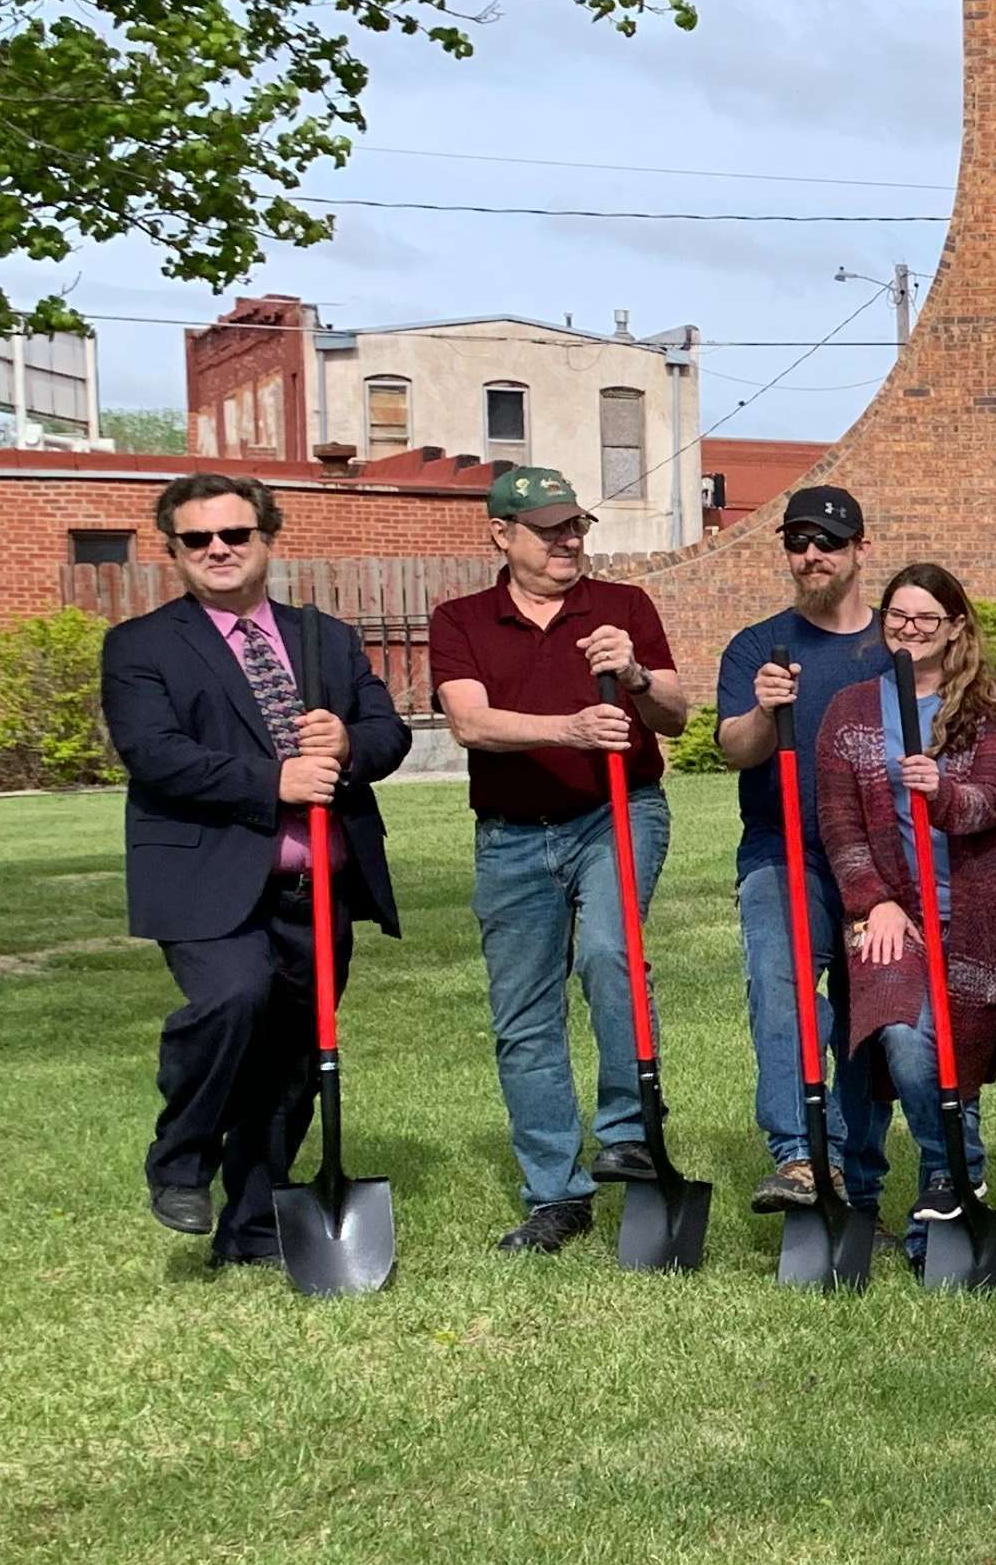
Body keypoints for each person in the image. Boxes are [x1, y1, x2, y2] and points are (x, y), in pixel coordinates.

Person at [101, 473, 412, 1268]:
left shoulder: (324, 638)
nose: (218, 551)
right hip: (207, 878)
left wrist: (345, 745)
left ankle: (252, 1227)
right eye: (197, 539)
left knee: (295, 1063)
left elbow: (389, 732)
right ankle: (182, 1155)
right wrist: (271, 780)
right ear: (172, 550)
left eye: (234, 535)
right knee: (232, 999)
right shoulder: (142, 645)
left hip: (318, 887)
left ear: (265, 539)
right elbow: (155, 754)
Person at [427, 463, 688, 1254]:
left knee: (611, 953)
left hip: (617, 812)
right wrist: (572, 728)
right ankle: (555, 1195)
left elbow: (674, 717)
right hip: (509, 834)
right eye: (550, 529)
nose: (569, 540)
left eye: (575, 526)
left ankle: (627, 1131)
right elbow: (469, 724)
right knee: (524, 1017)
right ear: (502, 536)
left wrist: (636, 676)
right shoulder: (461, 618)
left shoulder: (623, 607)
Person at [812, 563, 996, 1233]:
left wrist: (938, 788)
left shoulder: (994, 704)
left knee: (956, 1058)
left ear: (956, 625)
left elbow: (990, 805)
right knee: (905, 1041)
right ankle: (951, 1169)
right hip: (889, 917)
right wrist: (872, 900)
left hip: (976, 916)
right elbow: (839, 821)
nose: (909, 631)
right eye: (897, 618)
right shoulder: (851, 708)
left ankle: (939, 1215)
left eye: (925, 619)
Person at [712, 485, 887, 1213]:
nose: (812, 555)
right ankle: (800, 1156)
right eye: (797, 542)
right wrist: (763, 709)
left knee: (866, 1014)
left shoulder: (893, 647)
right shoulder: (759, 647)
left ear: (859, 550)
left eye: (829, 542)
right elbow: (733, 749)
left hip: (881, 860)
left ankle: (857, 1172)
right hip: (783, 850)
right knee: (780, 983)